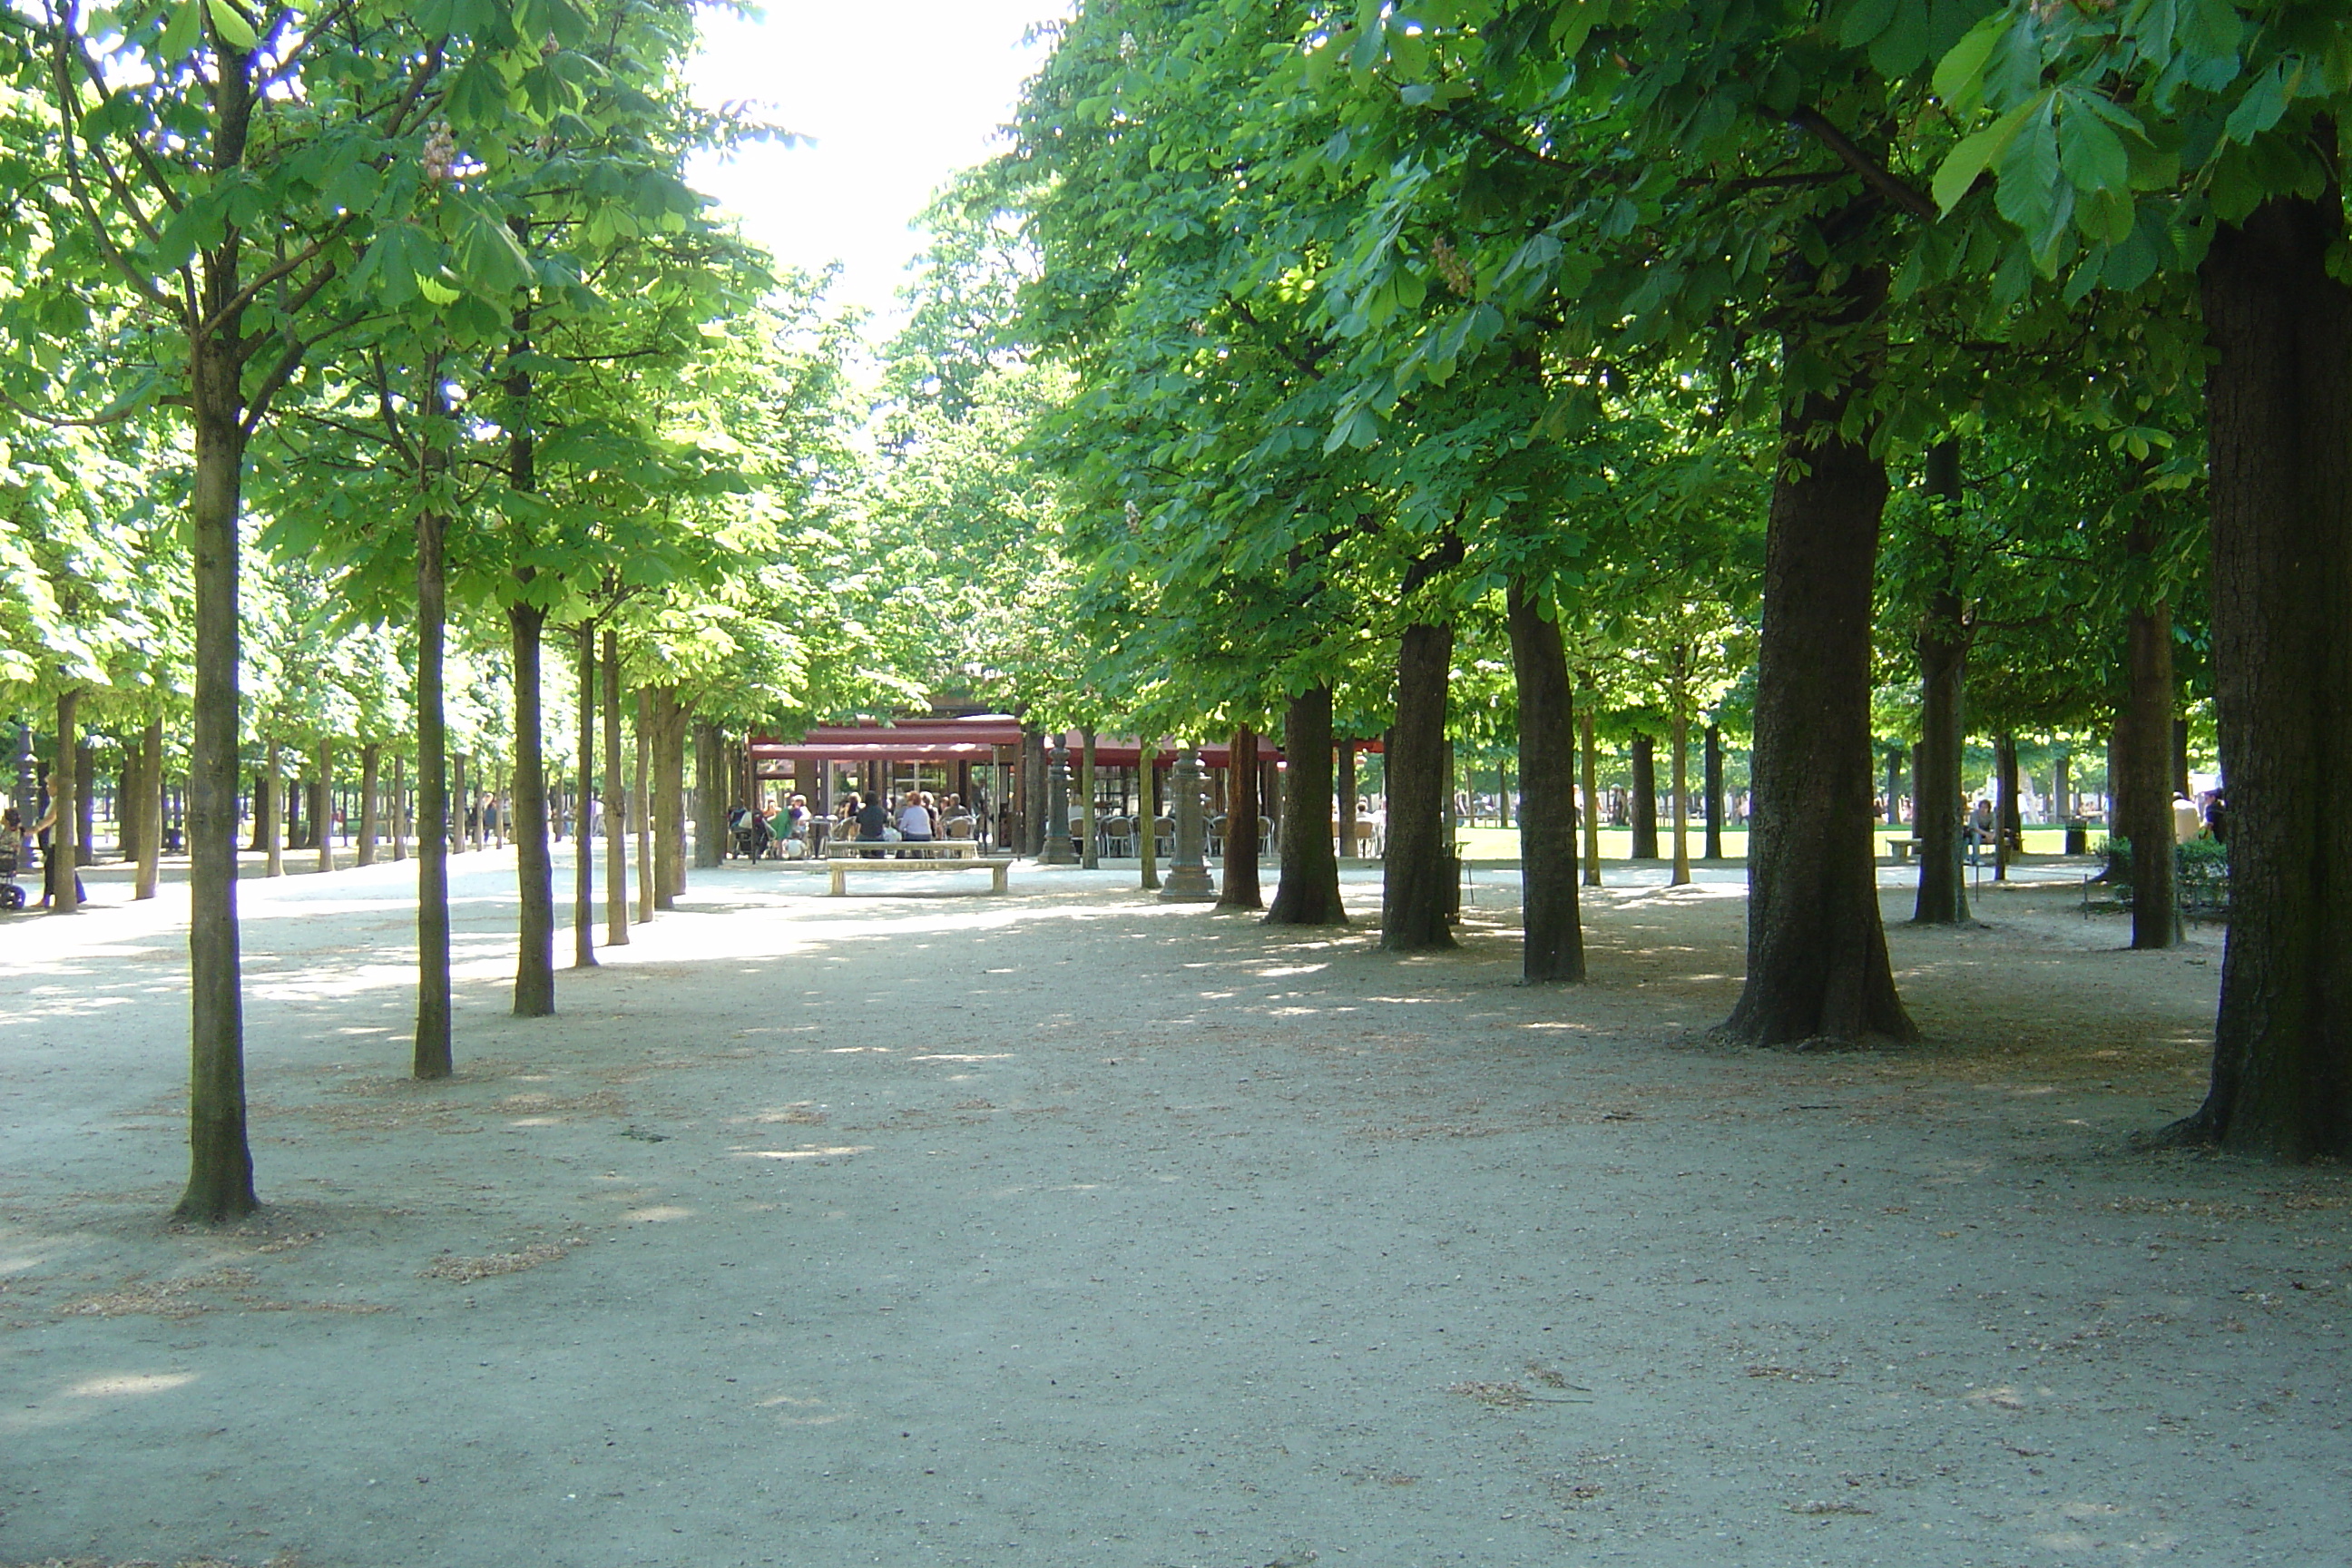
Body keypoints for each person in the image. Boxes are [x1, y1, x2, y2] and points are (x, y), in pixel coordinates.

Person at [849, 791, 890, 858]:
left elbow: (858, 822)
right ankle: (879, 856)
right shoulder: (881, 811)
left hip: (864, 837)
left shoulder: (862, 811)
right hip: (878, 837)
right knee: (884, 838)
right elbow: (885, 823)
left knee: (858, 839)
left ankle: (865, 854)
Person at [896, 790, 935, 858]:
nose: (907, 802)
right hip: (927, 835)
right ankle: (920, 856)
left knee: (904, 839)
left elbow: (901, 827)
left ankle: (899, 858)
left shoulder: (909, 811)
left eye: (908, 800)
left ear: (912, 801)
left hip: (914, 836)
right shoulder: (924, 810)